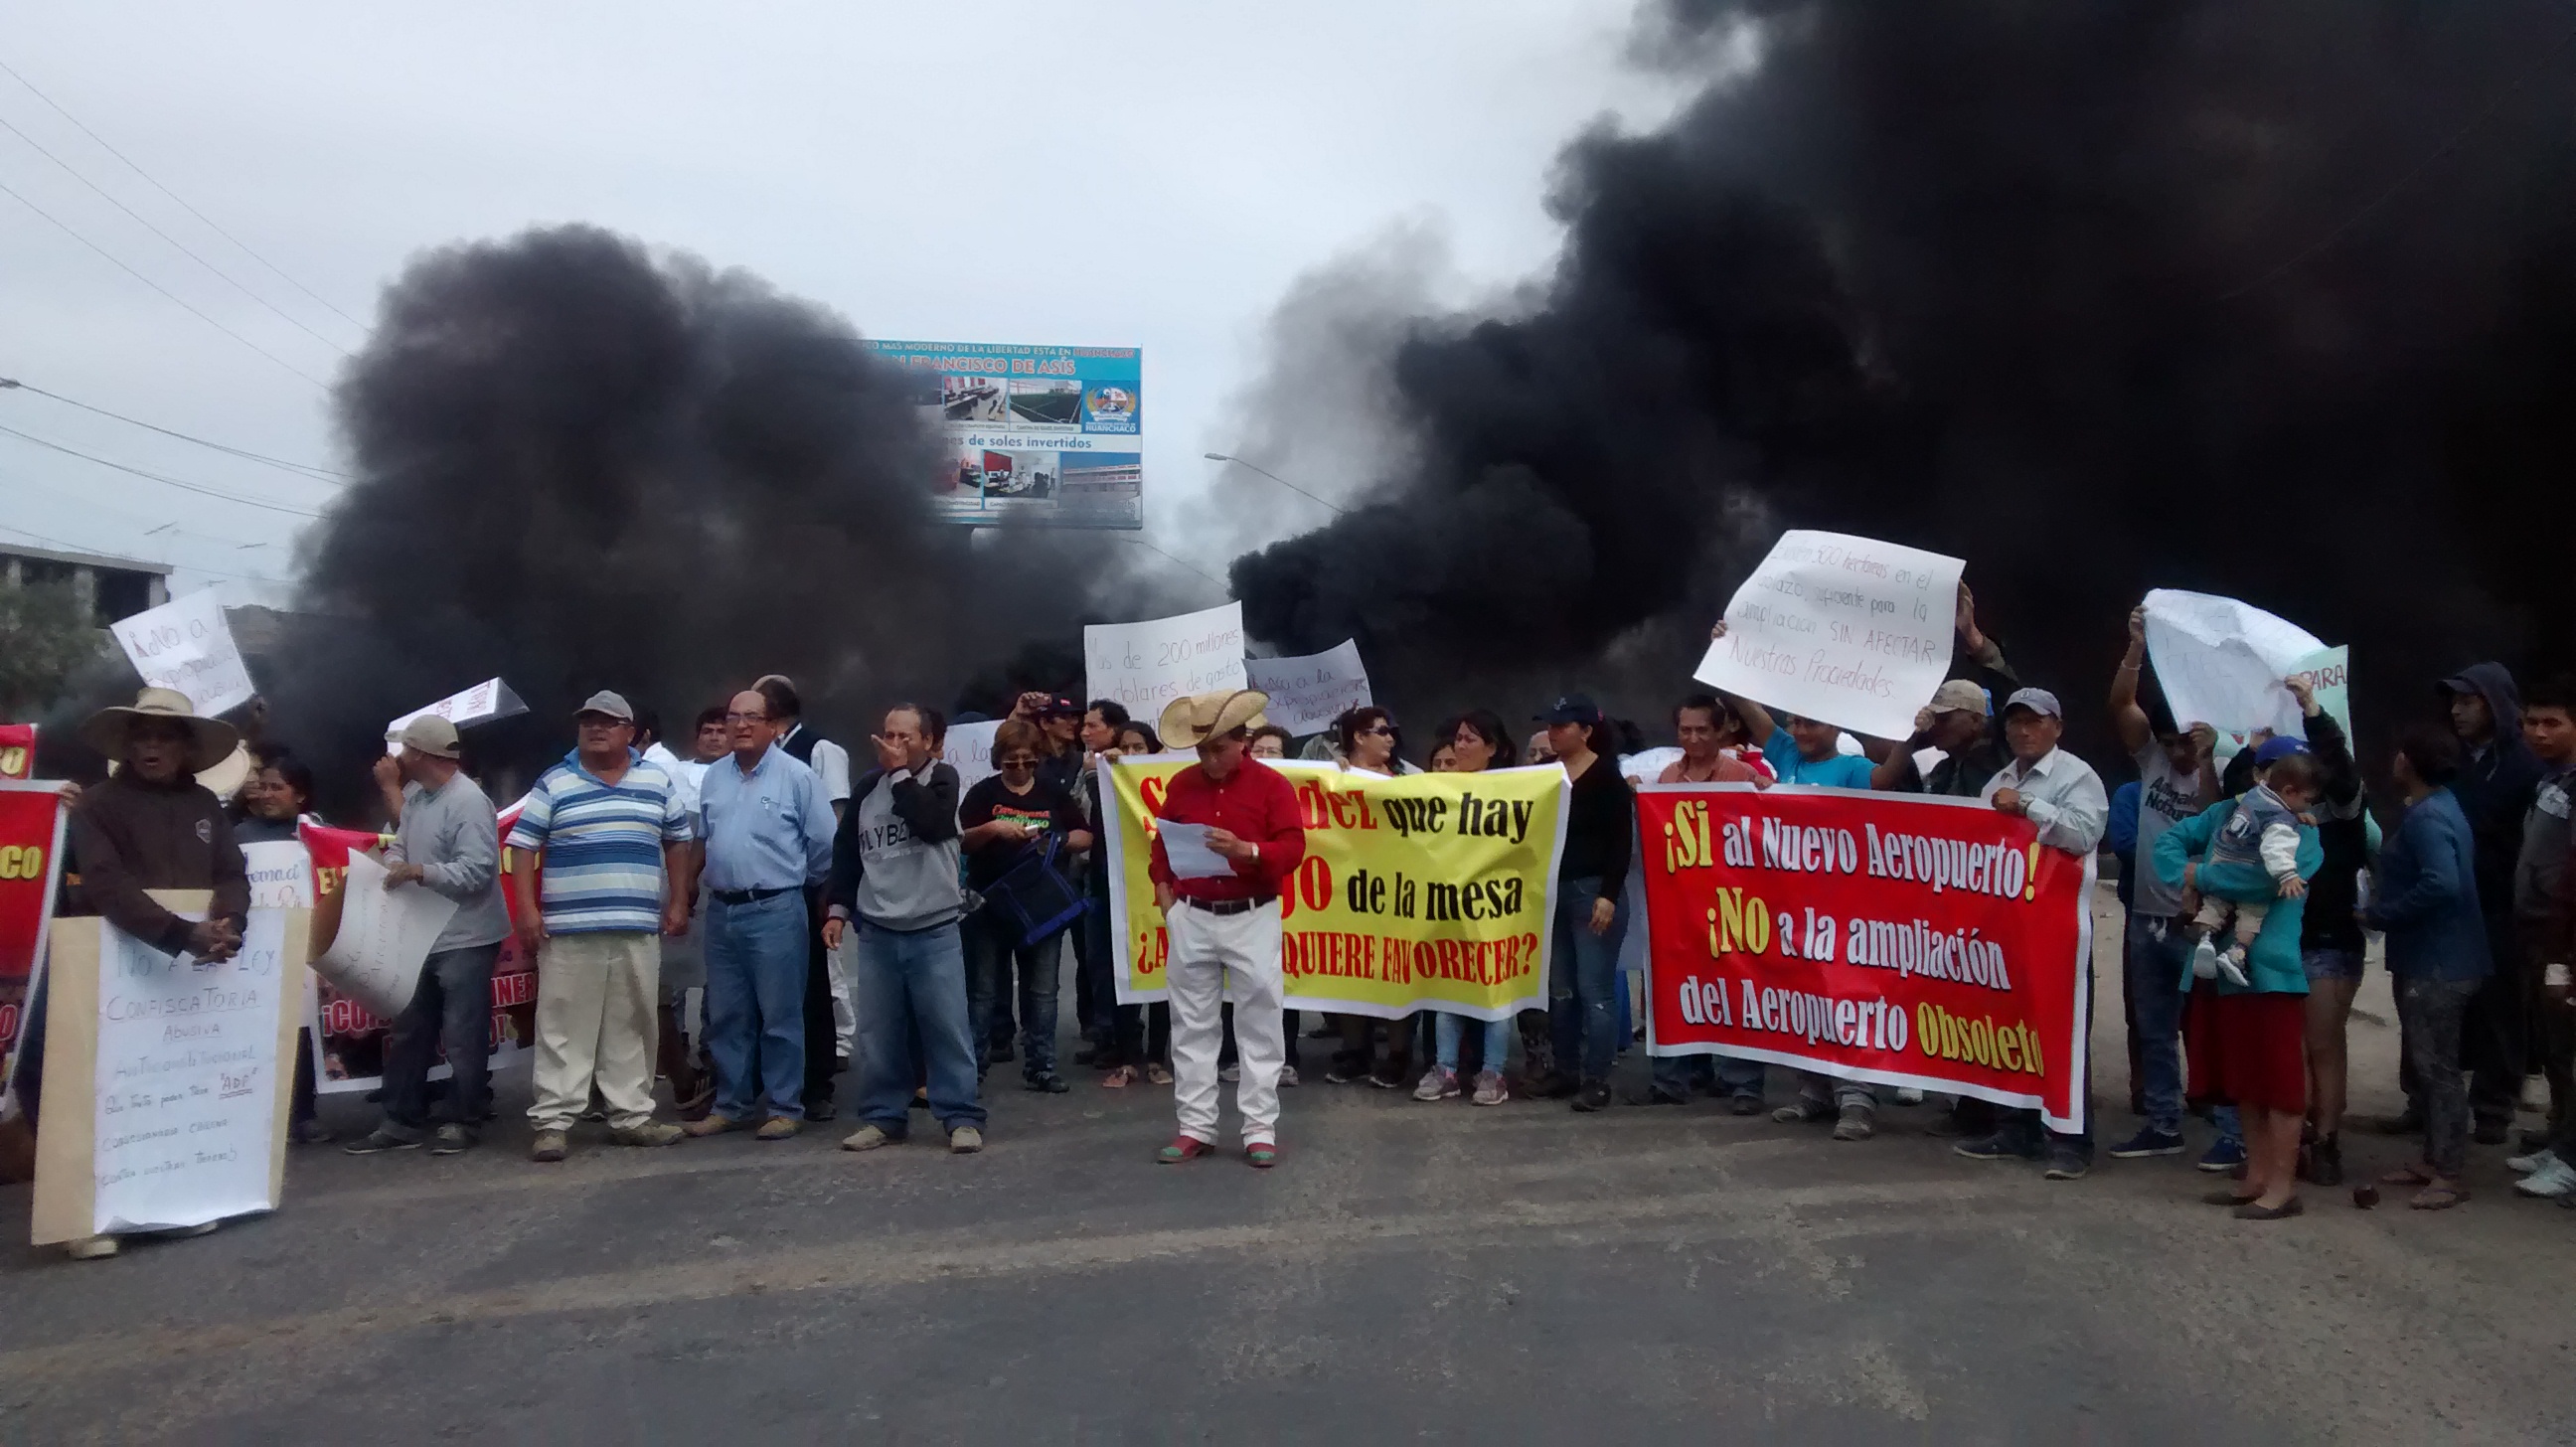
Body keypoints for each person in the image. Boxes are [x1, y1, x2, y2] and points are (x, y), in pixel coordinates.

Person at [39, 689, 252, 1259]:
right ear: (127, 746)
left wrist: (230, 920)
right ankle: (84, 1218)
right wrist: (182, 935)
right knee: (96, 1086)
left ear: (185, 748)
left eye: (163, 737)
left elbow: (233, 870)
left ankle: (167, 1206)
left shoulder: (206, 804)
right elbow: (105, 883)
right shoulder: (96, 806)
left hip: (186, 965)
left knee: (170, 1089)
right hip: (113, 961)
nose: (151, 747)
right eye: (142, 737)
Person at [504, 692, 696, 1162]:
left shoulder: (655, 779)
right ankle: (552, 1121)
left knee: (633, 1020)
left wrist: (678, 900)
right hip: (569, 929)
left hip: (635, 924)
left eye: (607, 722)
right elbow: (524, 847)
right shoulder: (555, 782)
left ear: (630, 732)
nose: (596, 729)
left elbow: (677, 841)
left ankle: (631, 1116)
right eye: (588, 721)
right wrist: (527, 912)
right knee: (562, 1023)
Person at [2153, 744, 2322, 1219]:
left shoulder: (2300, 828)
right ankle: (2256, 1176)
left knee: (2282, 1083)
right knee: (2244, 1080)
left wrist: (2200, 875)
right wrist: (2181, 875)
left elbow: (2265, 884)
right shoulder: (2226, 812)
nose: (2264, 782)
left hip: (2270, 968)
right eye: (2261, 771)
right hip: (2220, 966)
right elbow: (2167, 842)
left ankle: (2283, 1186)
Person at [1957, 688, 2110, 1182]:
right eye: (2015, 723)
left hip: (2058, 928)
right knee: (2008, 1024)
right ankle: (2015, 1128)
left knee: (2060, 1029)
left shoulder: (2077, 776)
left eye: (2035, 722)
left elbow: (2084, 834)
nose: (2024, 731)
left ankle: (2070, 1141)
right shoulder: (1998, 780)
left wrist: (2027, 807)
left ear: (2057, 727)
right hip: (2008, 927)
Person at [1148, 689, 1306, 1167]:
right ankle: (1195, 1126)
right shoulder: (1182, 785)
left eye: (1217, 748)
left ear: (1244, 742)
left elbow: (1294, 849)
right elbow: (1163, 841)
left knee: (1259, 1023)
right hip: (1193, 912)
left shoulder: (1273, 787)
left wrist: (1247, 851)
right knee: (1191, 1024)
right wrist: (1162, 888)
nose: (1208, 758)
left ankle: (1259, 1129)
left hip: (1251, 913)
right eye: (1201, 750)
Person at [344, 715, 513, 1158]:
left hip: (467, 935)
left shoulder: (469, 801)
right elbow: (401, 839)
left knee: (462, 1031)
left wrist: (420, 871)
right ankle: (401, 1118)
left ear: (420, 754)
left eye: (404, 749)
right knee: (410, 1027)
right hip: (424, 931)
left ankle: (465, 1118)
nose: (398, 756)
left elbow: (478, 872)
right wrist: (395, 859)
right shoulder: (418, 796)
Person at [826, 704, 986, 1153]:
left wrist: (900, 777)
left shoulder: (943, 778)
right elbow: (846, 851)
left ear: (931, 743)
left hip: (933, 928)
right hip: (877, 929)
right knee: (879, 1031)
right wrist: (838, 908)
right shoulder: (865, 789)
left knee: (946, 1026)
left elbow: (932, 825)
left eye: (903, 737)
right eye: (886, 735)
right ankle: (883, 1116)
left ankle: (960, 1115)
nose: (890, 746)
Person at [2100, 608, 2228, 1166]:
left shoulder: (2215, 765)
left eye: (2184, 743)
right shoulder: (2151, 757)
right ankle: (2162, 1122)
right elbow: (2120, 706)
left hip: (2202, 919)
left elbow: (2213, 814)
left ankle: (2231, 1131)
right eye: (2170, 741)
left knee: (2214, 1029)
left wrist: (2204, 756)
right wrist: (2134, 650)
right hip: (2146, 912)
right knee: (2152, 1028)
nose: (2175, 752)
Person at [684, 689, 837, 1140]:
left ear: (774, 726)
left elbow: (824, 844)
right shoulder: (714, 777)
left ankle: (786, 1105)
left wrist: (798, 886)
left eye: (753, 717)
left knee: (781, 1014)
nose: (742, 726)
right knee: (728, 1015)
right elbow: (702, 838)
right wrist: (687, 887)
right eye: (734, 717)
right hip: (722, 910)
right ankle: (731, 1104)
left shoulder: (798, 777)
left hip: (776, 907)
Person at [2362, 727, 2487, 1209]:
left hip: (2439, 961)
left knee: (2439, 1069)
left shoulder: (2428, 817)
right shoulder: (2437, 808)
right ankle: (2435, 1159)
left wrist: (2382, 914)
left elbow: (2441, 883)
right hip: (2437, 956)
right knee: (2432, 1064)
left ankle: (2449, 1172)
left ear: (2409, 763)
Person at [2430, 664, 2540, 1145]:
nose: (2457, 710)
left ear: (2496, 702)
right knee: (2439, 1006)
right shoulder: (2454, 759)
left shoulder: (2526, 763)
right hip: (2453, 901)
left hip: (2501, 903)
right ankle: (2428, 1104)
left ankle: (2495, 1108)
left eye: (2468, 700)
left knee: (2500, 1008)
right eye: (2453, 701)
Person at [1646, 696, 1771, 1112]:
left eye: (1702, 729)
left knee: (1740, 987)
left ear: (1720, 731)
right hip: (1681, 904)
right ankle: (1671, 1080)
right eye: (1685, 730)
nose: (1693, 737)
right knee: (1675, 985)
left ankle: (1745, 1086)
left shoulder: (1743, 775)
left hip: (1734, 903)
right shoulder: (1666, 778)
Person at [960, 719, 1089, 1092]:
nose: (1019, 768)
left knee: (1043, 990)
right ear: (998, 760)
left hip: (1040, 903)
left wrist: (1057, 840)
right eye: (1011, 762)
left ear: (1039, 760)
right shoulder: (983, 794)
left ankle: (1042, 1064)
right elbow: (961, 840)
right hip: (989, 901)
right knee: (983, 990)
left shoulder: (1052, 792)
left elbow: (1085, 835)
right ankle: (974, 1067)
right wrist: (993, 830)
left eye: (1028, 761)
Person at [2277, 677, 2371, 1187]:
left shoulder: (2346, 812)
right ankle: (2303, 1141)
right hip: (2289, 940)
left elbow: (2343, 770)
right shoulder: (2282, 818)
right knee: (2297, 1047)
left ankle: (2327, 1144)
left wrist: (2312, 710)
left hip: (2330, 943)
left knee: (2323, 1045)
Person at [754, 674, 853, 1122]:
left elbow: (832, 821)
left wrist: (829, 892)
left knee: (813, 986)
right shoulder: (757, 759)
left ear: (773, 717)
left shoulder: (819, 750)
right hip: (771, 887)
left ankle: (819, 1081)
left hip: (810, 885)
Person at [1530, 695, 1632, 1114]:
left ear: (1586, 731)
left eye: (1563, 725)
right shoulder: (1540, 774)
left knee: (1595, 991)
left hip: (1592, 889)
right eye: (1551, 725)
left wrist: (1609, 893)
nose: (1554, 732)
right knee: (1560, 990)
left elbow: (1621, 840)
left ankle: (1596, 1078)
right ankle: (1565, 1068)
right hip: (1552, 890)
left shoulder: (1607, 776)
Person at [1413, 709, 1520, 1105]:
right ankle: (1446, 1069)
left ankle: (1493, 1072)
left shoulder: (1515, 788)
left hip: (1496, 905)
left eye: (1470, 739)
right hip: (1446, 904)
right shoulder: (1437, 789)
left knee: (1495, 990)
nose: (1460, 746)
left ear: (1491, 748)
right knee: (1446, 986)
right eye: (1458, 738)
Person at [235, 747, 332, 1145]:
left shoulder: (316, 835)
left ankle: (303, 1114)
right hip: (249, 947)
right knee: (252, 1030)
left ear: (300, 795)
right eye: (263, 787)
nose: (267, 795)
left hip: (301, 946)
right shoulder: (237, 836)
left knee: (301, 1028)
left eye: (278, 787)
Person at [2505, 676, 2576, 1196]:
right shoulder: (2549, 780)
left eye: (2552, 723)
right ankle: (2559, 1136)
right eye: (2531, 722)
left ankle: (2571, 1159)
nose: (2539, 733)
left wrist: (2562, 952)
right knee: (2553, 1047)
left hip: (2563, 935)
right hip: (2534, 927)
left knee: (2570, 1048)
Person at [1321, 705, 1416, 1087]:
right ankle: (1356, 1051)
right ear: (1359, 738)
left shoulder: (1409, 778)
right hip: (1346, 890)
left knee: (1394, 971)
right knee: (1350, 969)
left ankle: (1397, 1055)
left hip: (1395, 890)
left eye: (1391, 730)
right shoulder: (1330, 778)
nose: (1391, 737)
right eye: (1382, 731)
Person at [2181, 746, 2324, 989]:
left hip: (2221, 858)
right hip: (2248, 866)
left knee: (2215, 905)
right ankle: (2237, 953)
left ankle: (2205, 939)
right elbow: (2275, 847)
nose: (2308, 807)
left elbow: (2273, 808)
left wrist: (2296, 813)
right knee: (2252, 913)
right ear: (2289, 791)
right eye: (2307, 801)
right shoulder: (2281, 822)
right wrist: (2287, 875)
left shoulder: (2255, 795)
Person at [1100, 719, 1176, 1087]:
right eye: (1124, 748)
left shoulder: (1170, 782)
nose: (1130, 756)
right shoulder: (1104, 776)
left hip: (1160, 887)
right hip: (1120, 889)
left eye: (1138, 749)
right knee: (1125, 973)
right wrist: (1100, 768)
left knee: (1161, 972)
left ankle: (1157, 1058)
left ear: (1154, 752)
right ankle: (1128, 1058)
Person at [1071, 699, 1133, 1066]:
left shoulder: (1119, 766)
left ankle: (1125, 1036)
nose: (1085, 731)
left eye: (1093, 725)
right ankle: (1105, 1032)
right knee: (1096, 958)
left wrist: (1097, 777)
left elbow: (1107, 818)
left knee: (1118, 957)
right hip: (1092, 874)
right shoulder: (1085, 766)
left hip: (1122, 876)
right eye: (1084, 724)